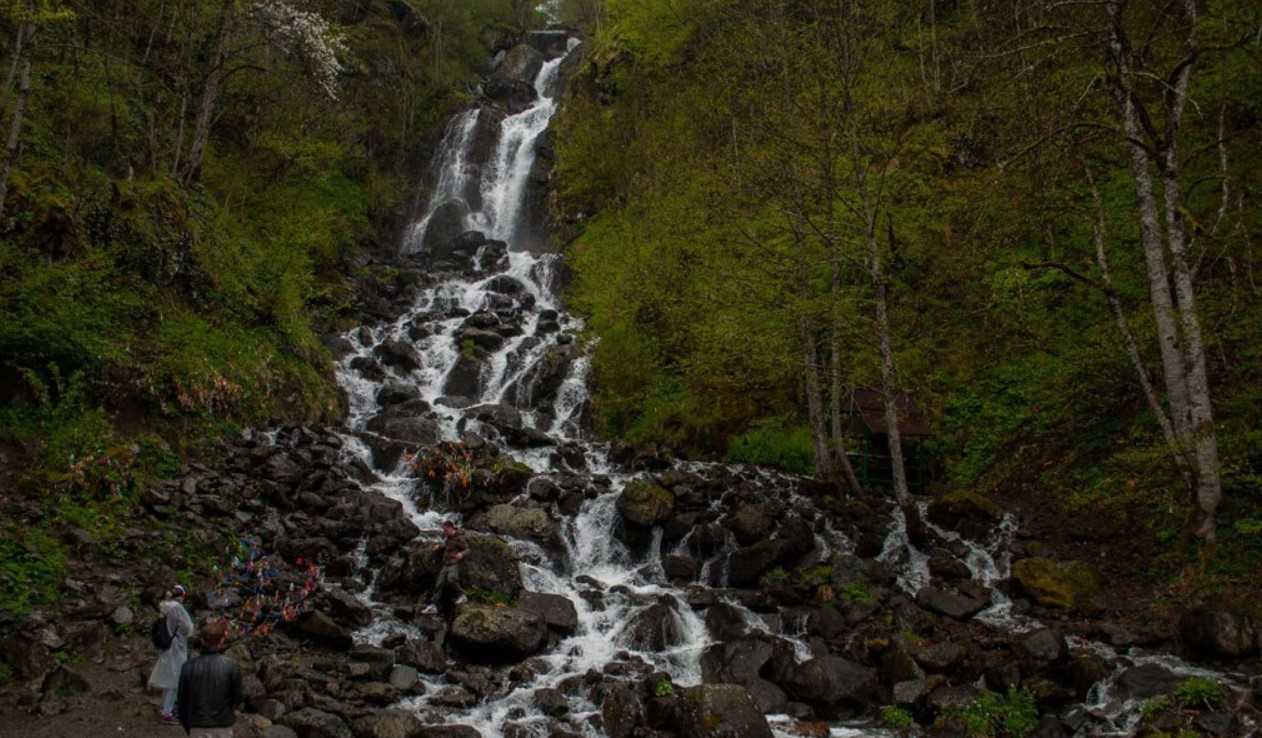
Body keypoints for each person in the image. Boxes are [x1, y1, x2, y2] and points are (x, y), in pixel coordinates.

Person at [177, 618, 243, 738]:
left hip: (197, 724)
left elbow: (182, 701)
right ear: (222, 640)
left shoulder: (188, 666)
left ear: (202, 640)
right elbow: (237, 698)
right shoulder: (231, 665)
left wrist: (189, 726)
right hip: (223, 724)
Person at [148, 585, 195, 725]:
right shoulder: (177, 608)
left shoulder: (164, 605)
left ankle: (165, 707)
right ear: (182, 596)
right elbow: (188, 629)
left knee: (170, 677)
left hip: (166, 645)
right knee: (175, 680)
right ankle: (166, 713)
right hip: (177, 647)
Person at [422, 520, 469, 615]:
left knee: (451, 579)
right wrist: (438, 547)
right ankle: (433, 606)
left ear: (451, 528)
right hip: (445, 563)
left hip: (453, 563)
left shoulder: (459, 538)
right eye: (443, 530)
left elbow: (467, 549)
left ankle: (462, 595)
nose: (444, 532)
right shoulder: (447, 538)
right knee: (438, 584)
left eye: (445, 530)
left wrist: (461, 554)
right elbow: (446, 546)